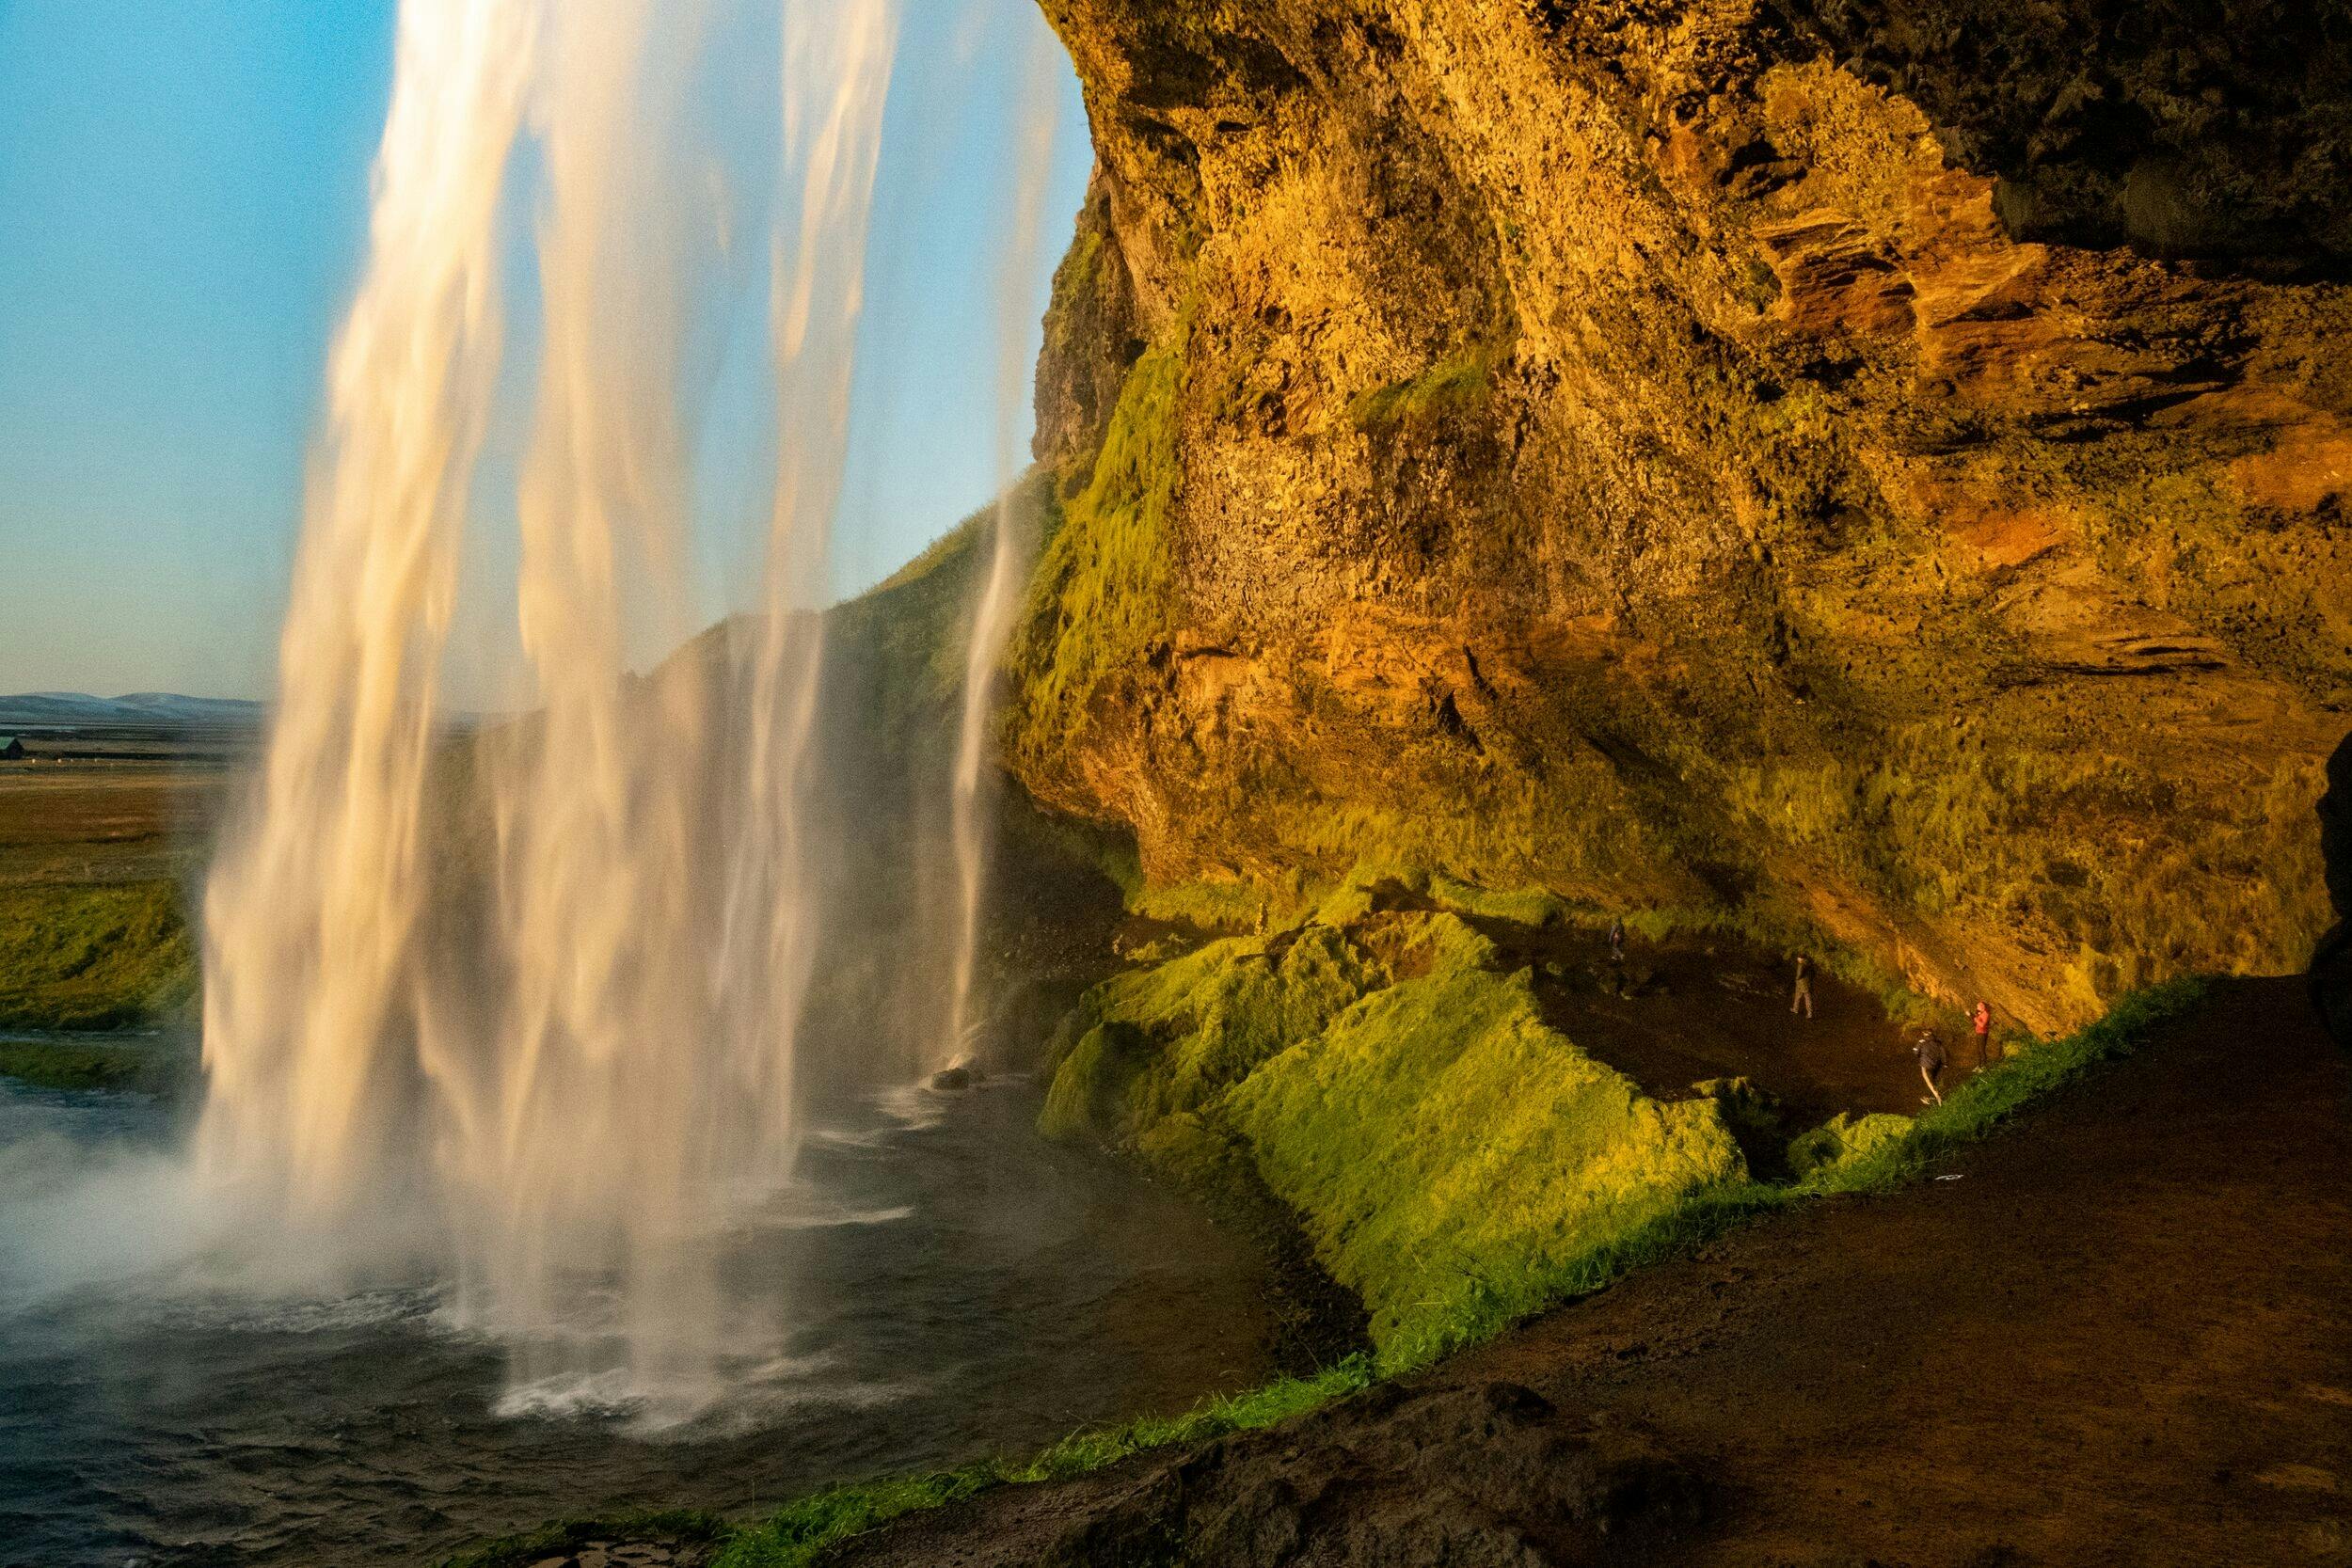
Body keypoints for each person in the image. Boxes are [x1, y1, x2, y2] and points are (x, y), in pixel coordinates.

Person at [1914, 1027, 1947, 1105]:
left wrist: (1920, 1055)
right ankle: (1930, 1097)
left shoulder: (1921, 1042)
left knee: (1929, 1082)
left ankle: (1939, 1100)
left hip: (1926, 1066)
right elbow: (1943, 1052)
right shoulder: (1938, 1042)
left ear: (1925, 1033)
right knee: (1933, 1081)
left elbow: (1915, 1052)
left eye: (1924, 1033)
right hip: (1937, 1064)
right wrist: (1944, 1063)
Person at [1972, 1001, 1994, 1068]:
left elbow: (1982, 1025)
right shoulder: (1981, 1013)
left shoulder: (1986, 1014)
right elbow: (1976, 1022)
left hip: (1983, 1033)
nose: (1977, 1008)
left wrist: (1976, 1018)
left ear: (1982, 1007)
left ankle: (1984, 1066)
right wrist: (1974, 1016)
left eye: (1978, 1006)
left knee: (1982, 1050)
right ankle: (1979, 1066)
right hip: (1978, 1032)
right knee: (1978, 1050)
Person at [1790, 953, 1814, 1019]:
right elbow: (1813, 973)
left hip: (1800, 984)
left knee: (1797, 996)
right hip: (1808, 983)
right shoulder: (1809, 964)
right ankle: (1810, 1013)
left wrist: (1796, 979)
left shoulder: (1801, 965)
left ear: (1801, 959)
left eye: (1798, 958)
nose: (1797, 959)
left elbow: (1799, 975)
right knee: (1808, 998)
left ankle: (1795, 1009)